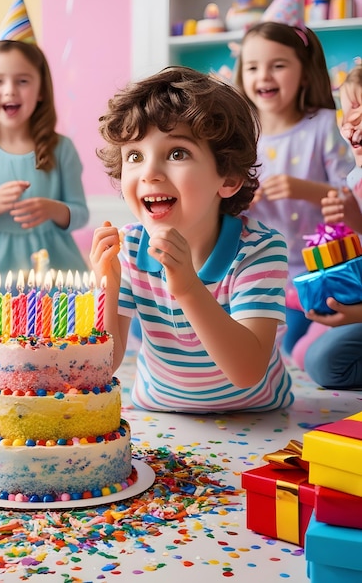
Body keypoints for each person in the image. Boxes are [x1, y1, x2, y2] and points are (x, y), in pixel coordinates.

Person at [89, 66, 293, 413]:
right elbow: (103, 366)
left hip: (257, 418)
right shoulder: (131, 248)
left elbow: (247, 371)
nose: (149, 173)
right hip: (156, 415)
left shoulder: (259, 249)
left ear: (227, 178)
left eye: (177, 153)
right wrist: (105, 287)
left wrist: (186, 286)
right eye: (134, 156)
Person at [0, 39, 89, 343]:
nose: (10, 90)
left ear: (40, 91)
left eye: (22, 81)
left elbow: (80, 214)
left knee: (72, 338)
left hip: (57, 273)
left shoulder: (60, 149)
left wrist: (54, 209)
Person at [234, 21, 355, 357]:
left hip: (314, 273)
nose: (264, 76)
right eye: (253, 67)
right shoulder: (240, 136)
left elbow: (352, 194)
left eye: (278, 65)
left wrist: (304, 189)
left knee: (289, 347)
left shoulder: (324, 125)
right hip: (254, 272)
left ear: (304, 73)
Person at [291, 65, 362, 388]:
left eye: (361, 109)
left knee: (324, 364)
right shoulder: (355, 179)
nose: (350, 124)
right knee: (301, 352)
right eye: (348, 111)